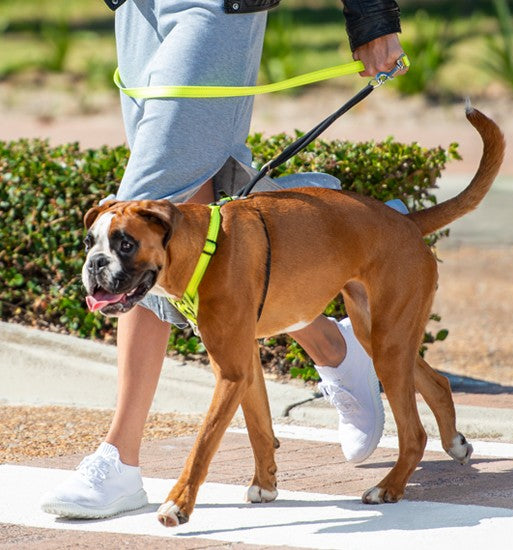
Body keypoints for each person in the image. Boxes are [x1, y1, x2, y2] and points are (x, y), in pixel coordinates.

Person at [41, 0, 407, 519]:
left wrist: (372, 17)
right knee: (195, 205)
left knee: (148, 204)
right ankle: (332, 344)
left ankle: (120, 459)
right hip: (137, 9)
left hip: (215, 7)